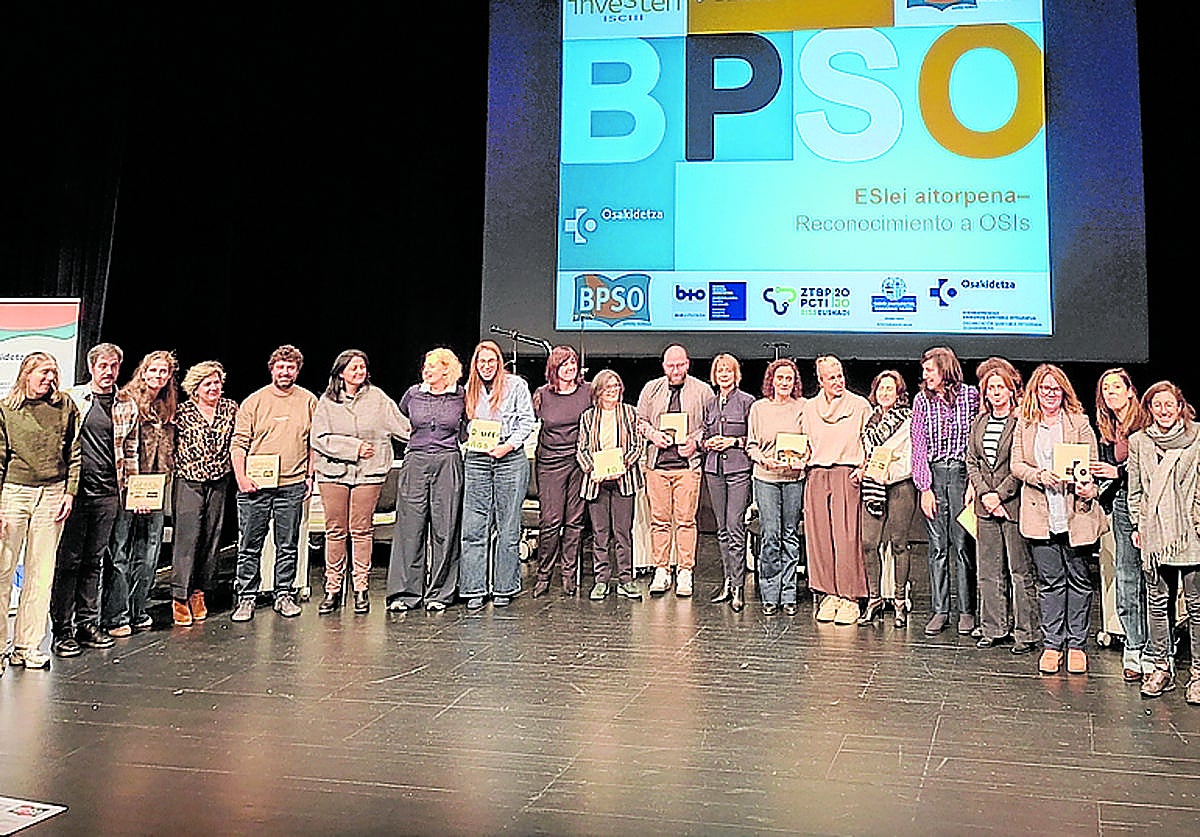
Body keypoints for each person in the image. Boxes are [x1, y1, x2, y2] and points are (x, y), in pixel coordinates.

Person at [1011, 364, 1105, 675]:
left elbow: (1092, 463)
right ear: (1035, 392)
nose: (1050, 394)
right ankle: (1052, 645)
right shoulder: (1025, 423)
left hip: (1075, 513)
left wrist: (1086, 483)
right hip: (1041, 513)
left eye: (1056, 389)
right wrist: (1039, 475)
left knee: (1079, 580)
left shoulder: (1079, 422)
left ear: (1064, 392)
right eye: (1044, 388)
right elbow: (1016, 465)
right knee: (1050, 582)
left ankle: (1076, 645)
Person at [311, 350, 410, 616]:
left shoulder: (377, 398)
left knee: (362, 530)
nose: (359, 372)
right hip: (333, 473)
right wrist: (353, 448)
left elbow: (404, 428)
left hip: (369, 473)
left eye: (362, 367)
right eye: (353, 367)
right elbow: (319, 438)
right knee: (335, 530)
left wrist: (432, 433)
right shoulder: (327, 401)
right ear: (341, 372)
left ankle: (361, 588)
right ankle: (333, 589)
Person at [0, 353, 81, 671]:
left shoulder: (64, 406)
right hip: (13, 493)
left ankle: (28, 645)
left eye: (53, 373)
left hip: (52, 494)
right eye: (43, 373)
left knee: (41, 573)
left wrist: (70, 491)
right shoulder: (7, 409)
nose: (49, 379)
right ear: (26, 374)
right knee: (3, 571)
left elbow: (75, 451)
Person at [230, 345, 317, 622]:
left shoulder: (308, 401)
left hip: (292, 484)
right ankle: (246, 597)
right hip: (255, 485)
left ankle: (284, 595)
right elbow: (238, 443)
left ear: (297, 370)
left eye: (291, 367)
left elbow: (314, 443)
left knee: (287, 544)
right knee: (249, 545)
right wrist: (241, 478)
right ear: (272, 369)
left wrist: (310, 476)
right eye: (280, 366)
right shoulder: (254, 401)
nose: (285, 372)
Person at [49, 343, 124, 657]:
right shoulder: (74, 398)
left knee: (94, 561)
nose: (108, 372)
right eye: (103, 366)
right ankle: (62, 629)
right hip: (76, 493)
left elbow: (130, 451)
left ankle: (87, 623)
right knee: (69, 562)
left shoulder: (126, 404)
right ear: (92, 368)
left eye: (113, 366)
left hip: (108, 493)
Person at [1127, 381, 1200, 703]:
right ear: (1149, 409)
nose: (1164, 410)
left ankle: (1198, 674)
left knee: (1196, 606)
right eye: (1157, 405)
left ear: (1180, 406)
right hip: (1154, 533)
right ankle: (1161, 667)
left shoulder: (1197, 437)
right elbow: (1135, 491)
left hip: (1190, 531)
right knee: (1157, 603)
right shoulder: (1139, 442)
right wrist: (1138, 525)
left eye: (1169, 404)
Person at [966, 358, 1040, 654]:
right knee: (988, 569)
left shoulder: (1022, 422)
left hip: (1013, 504)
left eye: (1001, 387)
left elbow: (1020, 463)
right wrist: (985, 494)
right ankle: (993, 628)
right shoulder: (979, 422)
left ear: (1011, 390)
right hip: (985, 506)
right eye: (991, 388)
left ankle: (1026, 633)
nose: (996, 392)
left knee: (1020, 571)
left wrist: (1000, 495)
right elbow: (972, 461)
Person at [103, 350, 178, 636]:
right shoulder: (127, 400)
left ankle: (138, 609)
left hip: (156, 488)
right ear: (143, 372)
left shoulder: (167, 405)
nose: (158, 376)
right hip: (128, 486)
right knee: (120, 549)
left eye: (164, 371)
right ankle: (116, 615)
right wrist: (134, 489)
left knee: (149, 550)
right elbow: (122, 447)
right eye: (154, 370)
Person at [386, 348, 466, 613]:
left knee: (446, 528)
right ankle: (405, 593)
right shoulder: (413, 394)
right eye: (426, 365)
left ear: (446, 370)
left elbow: (469, 428)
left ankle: (440, 593)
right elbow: (400, 423)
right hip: (416, 461)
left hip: (448, 460)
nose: (427, 370)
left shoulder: (460, 395)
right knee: (410, 528)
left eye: (433, 366)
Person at [459, 340, 535, 610]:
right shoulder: (468, 389)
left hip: (509, 457)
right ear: (475, 364)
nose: (486, 366)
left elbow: (527, 421)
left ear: (499, 362)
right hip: (477, 459)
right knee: (474, 526)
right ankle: (474, 588)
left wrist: (508, 446)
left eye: (491, 361)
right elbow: (462, 425)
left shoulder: (516, 385)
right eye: (482, 361)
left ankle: (504, 587)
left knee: (508, 526)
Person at [911, 346, 980, 636]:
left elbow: (976, 442)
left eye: (930, 370)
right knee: (938, 546)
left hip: (963, 475)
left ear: (945, 369)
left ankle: (967, 610)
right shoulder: (921, 400)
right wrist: (924, 488)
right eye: (924, 370)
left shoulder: (971, 396)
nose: (925, 375)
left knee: (963, 545)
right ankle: (940, 610)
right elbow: (918, 446)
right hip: (936, 475)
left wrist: (974, 483)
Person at [635, 344, 713, 597]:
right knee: (659, 520)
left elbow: (710, 425)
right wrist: (653, 435)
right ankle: (661, 569)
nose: (676, 370)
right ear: (664, 366)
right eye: (671, 366)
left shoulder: (703, 390)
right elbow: (640, 421)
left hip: (687, 467)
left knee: (686, 521)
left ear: (688, 364)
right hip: (657, 466)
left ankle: (685, 571)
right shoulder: (651, 389)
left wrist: (695, 441)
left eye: (680, 365)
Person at [802, 355, 872, 625]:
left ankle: (850, 596)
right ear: (820, 381)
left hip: (846, 473)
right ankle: (829, 593)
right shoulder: (809, 408)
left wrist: (864, 467)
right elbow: (805, 444)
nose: (837, 381)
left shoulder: (859, 405)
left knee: (847, 537)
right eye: (831, 378)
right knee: (820, 537)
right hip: (817, 474)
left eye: (840, 375)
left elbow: (871, 442)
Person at [1092, 368, 1150, 682]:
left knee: (1153, 577)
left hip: (1151, 504)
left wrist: (1118, 472)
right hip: (1122, 503)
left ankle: (1158, 648)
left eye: (1116, 386)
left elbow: (1151, 462)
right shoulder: (1107, 426)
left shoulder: (1146, 420)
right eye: (1106, 388)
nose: (1111, 392)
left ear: (1130, 391)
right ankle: (1134, 646)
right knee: (1127, 575)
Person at [171, 361, 237, 626]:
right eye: (207, 384)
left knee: (211, 537)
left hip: (219, 480)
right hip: (189, 480)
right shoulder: (182, 411)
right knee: (188, 538)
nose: (213, 388)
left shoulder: (230, 408)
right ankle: (179, 595)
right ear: (195, 388)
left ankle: (199, 592)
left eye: (217, 383)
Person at [577, 370, 644, 601]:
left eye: (616, 386)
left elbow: (637, 444)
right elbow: (582, 449)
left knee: (623, 533)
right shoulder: (588, 417)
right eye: (607, 387)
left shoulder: (630, 413)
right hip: (597, 483)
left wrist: (623, 465)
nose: (612, 391)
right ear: (598, 391)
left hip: (623, 480)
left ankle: (626, 579)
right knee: (600, 534)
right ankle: (601, 580)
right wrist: (593, 470)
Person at [746, 358, 806, 617]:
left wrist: (803, 461)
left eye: (789, 378)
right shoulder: (759, 408)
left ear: (795, 382)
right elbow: (751, 445)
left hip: (793, 479)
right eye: (780, 378)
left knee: (790, 535)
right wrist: (764, 460)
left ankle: (789, 593)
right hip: (766, 478)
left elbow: (809, 442)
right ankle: (770, 593)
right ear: (771, 380)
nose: (784, 383)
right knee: (770, 535)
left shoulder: (803, 407)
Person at [531, 346, 592, 597]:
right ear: (554, 368)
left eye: (572, 363)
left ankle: (569, 574)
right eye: (564, 364)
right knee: (550, 521)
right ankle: (544, 575)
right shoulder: (542, 395)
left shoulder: (588, 392)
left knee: (574, 521)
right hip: (549, 463)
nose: (570, 368)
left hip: (578, 462)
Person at [858, 369, 916, 627]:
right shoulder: (869, 421)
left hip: (900, 484)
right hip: (873, 484)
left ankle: (900, 600)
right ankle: (875, 598)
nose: (884, 393)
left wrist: (889, 473)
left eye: (890, 388)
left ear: (899, 392)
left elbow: (911, 454)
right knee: (868, 542)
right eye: (881, 388)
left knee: (898, 543)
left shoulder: (909, 418)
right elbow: (866, 454)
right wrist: (865, 469)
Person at [702, 353, 754, 612]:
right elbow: (703, 435)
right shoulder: (710, 404)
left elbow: (753, 438)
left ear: (736, 375)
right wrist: (708, 443)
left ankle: (738, 587)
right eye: (720, 370)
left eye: (728, 370)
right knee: (721, 529)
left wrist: (732, 441)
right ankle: (727, 581)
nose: (724, 374)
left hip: (738, 469)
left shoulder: (747, 401)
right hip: (714, 470)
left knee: (735, 527)